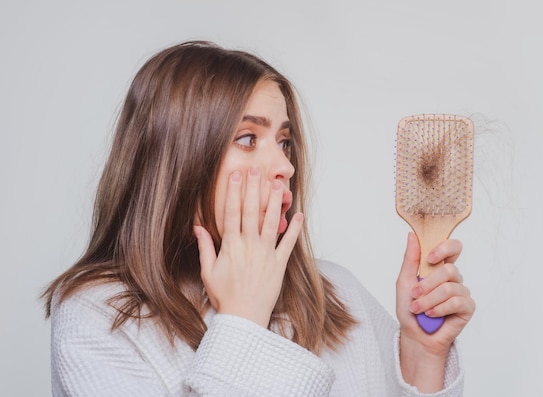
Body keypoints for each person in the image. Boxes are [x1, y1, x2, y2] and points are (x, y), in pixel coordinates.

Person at [42, 40, 475, 396]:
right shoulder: (95, 318)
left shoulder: (337, 291)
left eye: (283, 141)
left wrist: (422, 356)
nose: (284, 166)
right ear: (176, 162)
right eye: (248, 138)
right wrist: (245, 318)